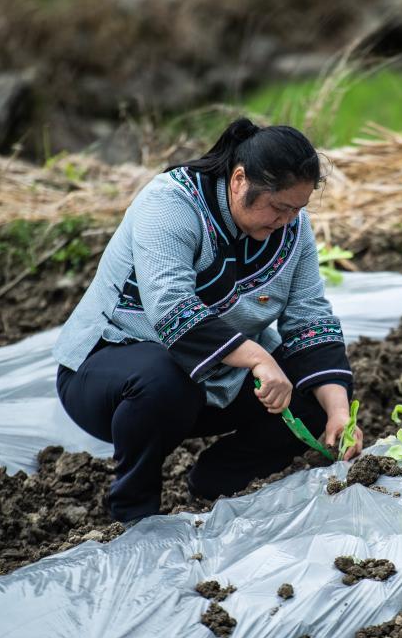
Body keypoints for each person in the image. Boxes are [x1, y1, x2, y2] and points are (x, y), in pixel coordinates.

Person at [53, 118, 362, 524]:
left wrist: (340, 412)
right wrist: (257, 357)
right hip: (110, 375)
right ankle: (134, 511)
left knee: (314, 393)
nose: (287, 220)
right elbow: (172, 309)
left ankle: (218, 481)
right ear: (239, 180)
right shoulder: (170, 203)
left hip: (212, 378)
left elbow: (310, 316)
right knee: (164, 379)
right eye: (279, 207)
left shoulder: (292, 228)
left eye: (297, 209)